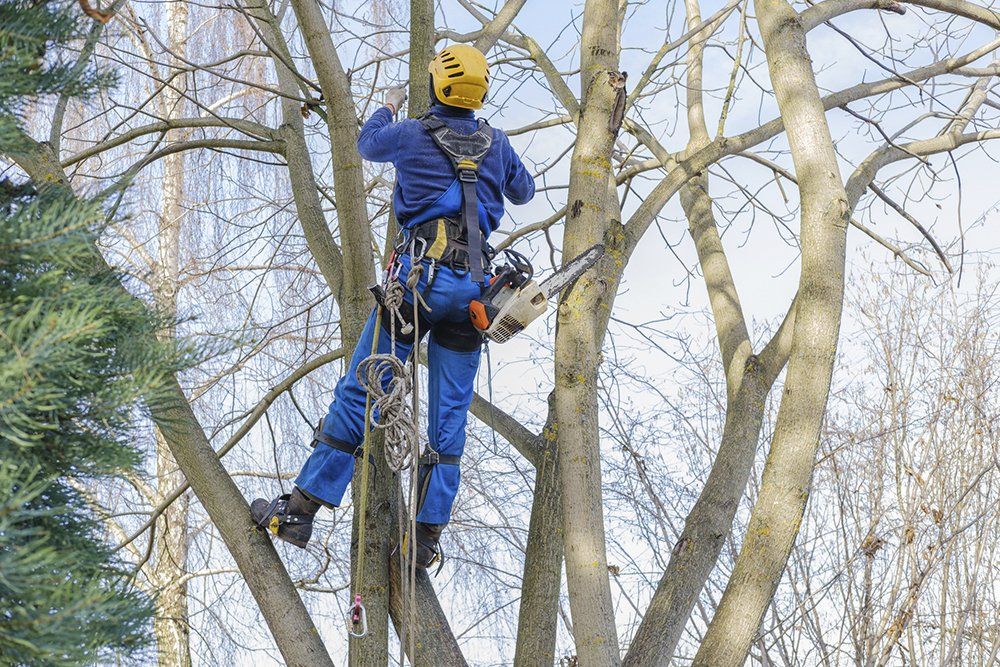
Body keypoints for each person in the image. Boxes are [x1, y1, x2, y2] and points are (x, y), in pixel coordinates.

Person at [251, 44, 535, 570]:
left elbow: (366, 143)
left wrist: (387, 104)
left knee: (364, 386)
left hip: (420, 282)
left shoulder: (411, 134)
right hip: (474, 292)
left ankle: (300, 510)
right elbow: (525, 192)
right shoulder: (498, 144)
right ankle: (425, 537)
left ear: (435, 87)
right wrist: (495, 158)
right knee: (449, 416)